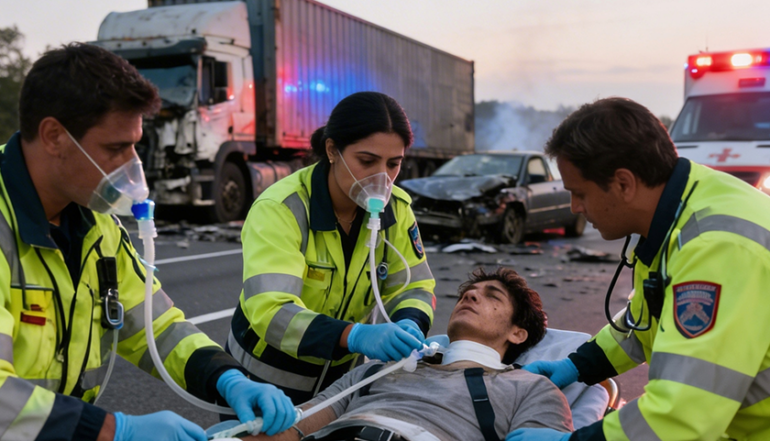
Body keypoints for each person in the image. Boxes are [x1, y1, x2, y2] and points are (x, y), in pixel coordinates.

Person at [0, 43, 296, 441]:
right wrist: (115, 431)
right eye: (115, 148)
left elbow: (155, 327)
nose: (132, 165)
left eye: (135, 146)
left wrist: (227, 378)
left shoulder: (95, 224)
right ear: (54, 136)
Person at [510, 98, 770, 441]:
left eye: (579, 193)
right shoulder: (683, 206)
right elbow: (646, 319)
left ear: (623, 184)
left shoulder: (716, 247)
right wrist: (578, 365)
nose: (575, 207)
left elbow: (681, 417)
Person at [227, 92, 437, 404]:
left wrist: (411, 322)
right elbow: (271, 310)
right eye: (367, 161)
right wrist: (354, 335)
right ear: (331, 150)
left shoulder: (396, 209)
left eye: (393, 164)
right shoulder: (282, 208)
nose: (382, 178)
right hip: (261, 385)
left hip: (340, 388)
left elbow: (415, 286)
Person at [229, 267, 571, 441]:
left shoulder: (532, 388)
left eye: (492, 296)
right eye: (468, 292)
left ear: (517, 333)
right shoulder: (379, 369)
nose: (470, 296)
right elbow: (296, 426)